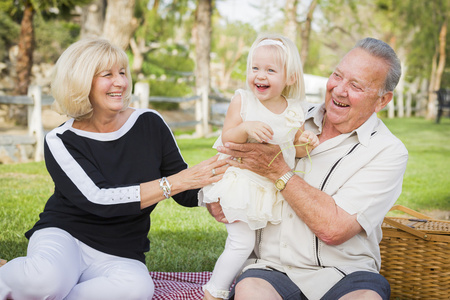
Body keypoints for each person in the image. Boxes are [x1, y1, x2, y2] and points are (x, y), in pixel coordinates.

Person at [0, 38, 228, 300]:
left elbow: (184, 189)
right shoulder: (61, 139)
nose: (120, 82)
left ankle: (39, 287)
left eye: (122, 72)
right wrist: (175, 183)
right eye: (107, 75)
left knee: (137, 290)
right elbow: (98, 198)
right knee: (44, 281)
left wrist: (208, 197)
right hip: (66, 236)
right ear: (81, 81)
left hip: (122, 249)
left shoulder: (150, 123)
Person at [207, 37, 408, 300]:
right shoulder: (290, 115)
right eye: (337, 75)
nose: (339, 90)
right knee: (250, 292)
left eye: (355, 85)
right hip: (272, 268)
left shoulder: (387, 151)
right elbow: (229, 154)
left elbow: (334, 229)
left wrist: (278, 171)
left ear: (382, 101)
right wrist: (217, 197)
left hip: (346, 273)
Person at [201, 34, 319, 300]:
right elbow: (228, 138)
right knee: (242, 242)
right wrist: (246, 127)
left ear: (289, 78)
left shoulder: (294, 110)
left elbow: (293, 149)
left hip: (267, 188)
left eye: (270, 70)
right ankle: (214, 291)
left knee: (254, 245)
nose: (260, 75)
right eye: (255, 68)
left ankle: (244, 285)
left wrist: (306, 143)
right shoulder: (243, 101)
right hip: (241, 183)